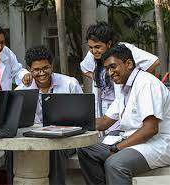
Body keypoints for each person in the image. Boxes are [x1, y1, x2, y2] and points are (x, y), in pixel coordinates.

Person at [77, 44, 170, 185]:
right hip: (131, 139)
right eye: (107, 69)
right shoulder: (123, 87)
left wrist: (118, 148)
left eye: (113, 67)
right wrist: (71, 123)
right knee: (86, 149)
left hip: (157, 144)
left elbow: (151, 129)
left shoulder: (146, 84)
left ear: (129, 64)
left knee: (115, 164)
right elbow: (104, 122)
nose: (109, 73)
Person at [16, 46, 83, 185]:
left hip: (65, 139)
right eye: (36, 70)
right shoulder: (22, 91)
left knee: (54, 148)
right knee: (12, 152)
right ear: (29, 70)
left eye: (45, 68)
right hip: (33, 140)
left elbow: (83, 116)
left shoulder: (70, 84)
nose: (41, 73)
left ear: (51, 66)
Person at [80, 22, 160, 133]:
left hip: (122, 108)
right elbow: (84, 68)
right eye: (91, 47)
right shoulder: (94, 54)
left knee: (119, 133)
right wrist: (98, 78)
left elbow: (154, 61)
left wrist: (135, 82)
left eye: (97, 47)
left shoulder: (123, 50)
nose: (94, 51)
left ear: (109, 43)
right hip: (108, 109)